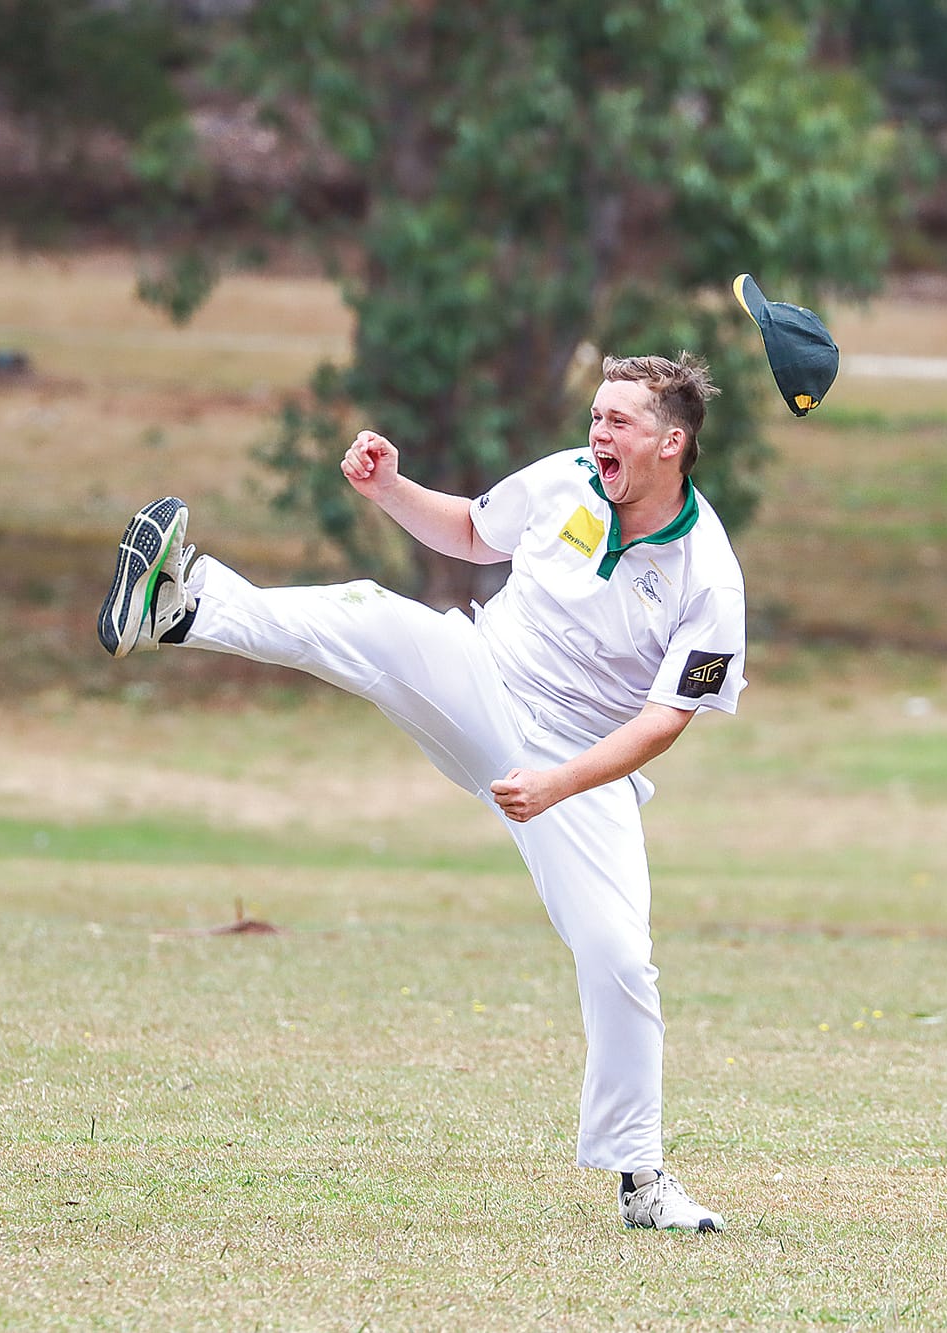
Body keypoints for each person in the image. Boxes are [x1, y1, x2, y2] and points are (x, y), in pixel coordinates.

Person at [96, 353, 746, 1233]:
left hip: (584, 766)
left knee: (621, 957)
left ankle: (642, 1182)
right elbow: (477, 534)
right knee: (369, 612)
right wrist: (393, 489)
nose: (598, 434)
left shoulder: (708, 573)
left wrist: (558, 783)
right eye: (596, 416)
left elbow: (666, 720)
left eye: (619, 422)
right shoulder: (565, 480)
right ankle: (187, 605)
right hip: (483, 674)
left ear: (672, 442)